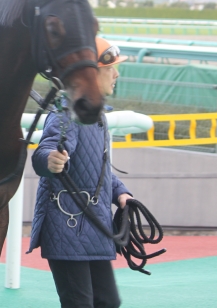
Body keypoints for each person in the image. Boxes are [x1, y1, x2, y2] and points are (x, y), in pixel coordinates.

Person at [27, 37, 132, 308]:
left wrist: (122, 194)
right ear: (91, 73)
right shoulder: (65, 113)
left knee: (107, 301)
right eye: (111, 69)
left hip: (93, 226)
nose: (117, 74)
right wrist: (48, 160)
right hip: (67, 227)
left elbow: (98, 169)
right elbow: (46, 152)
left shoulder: (98, 116)